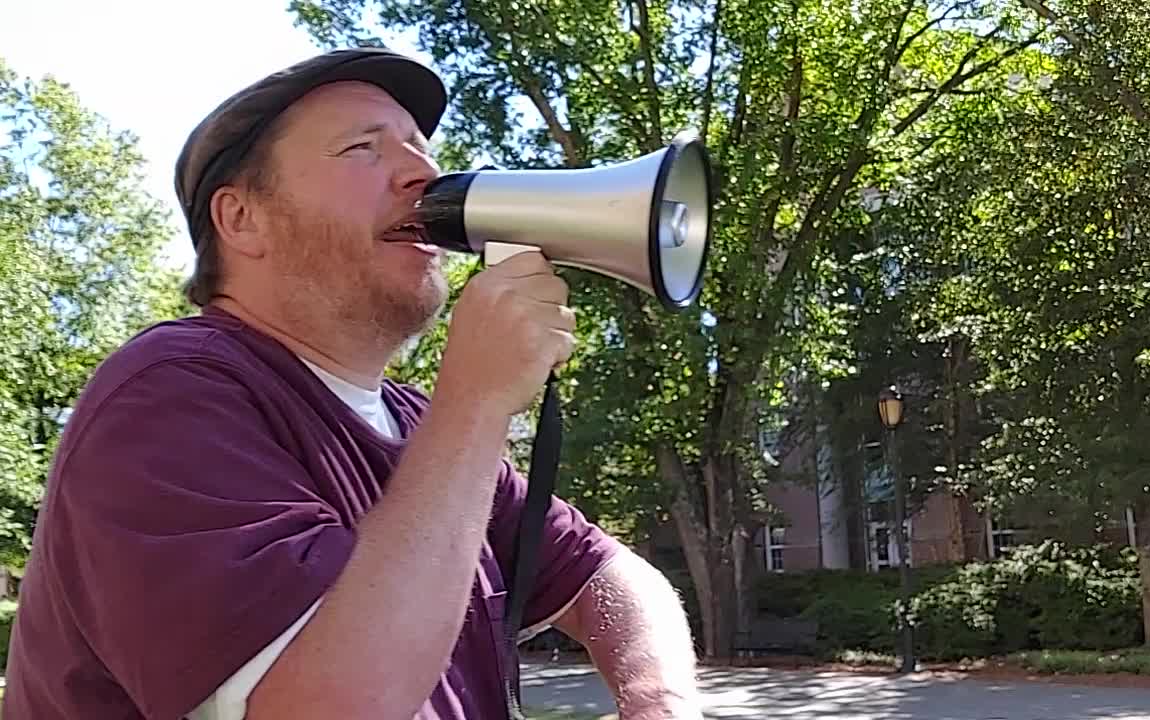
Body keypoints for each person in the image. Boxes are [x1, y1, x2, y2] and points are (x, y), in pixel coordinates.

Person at [3, 48, 701, 720]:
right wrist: (478, 402)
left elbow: (607, 575)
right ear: (242, 219)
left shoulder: (423, 427)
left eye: (420, 147)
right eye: (363, 149)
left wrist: (658, 701)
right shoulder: (168, 397)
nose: (422, 173)